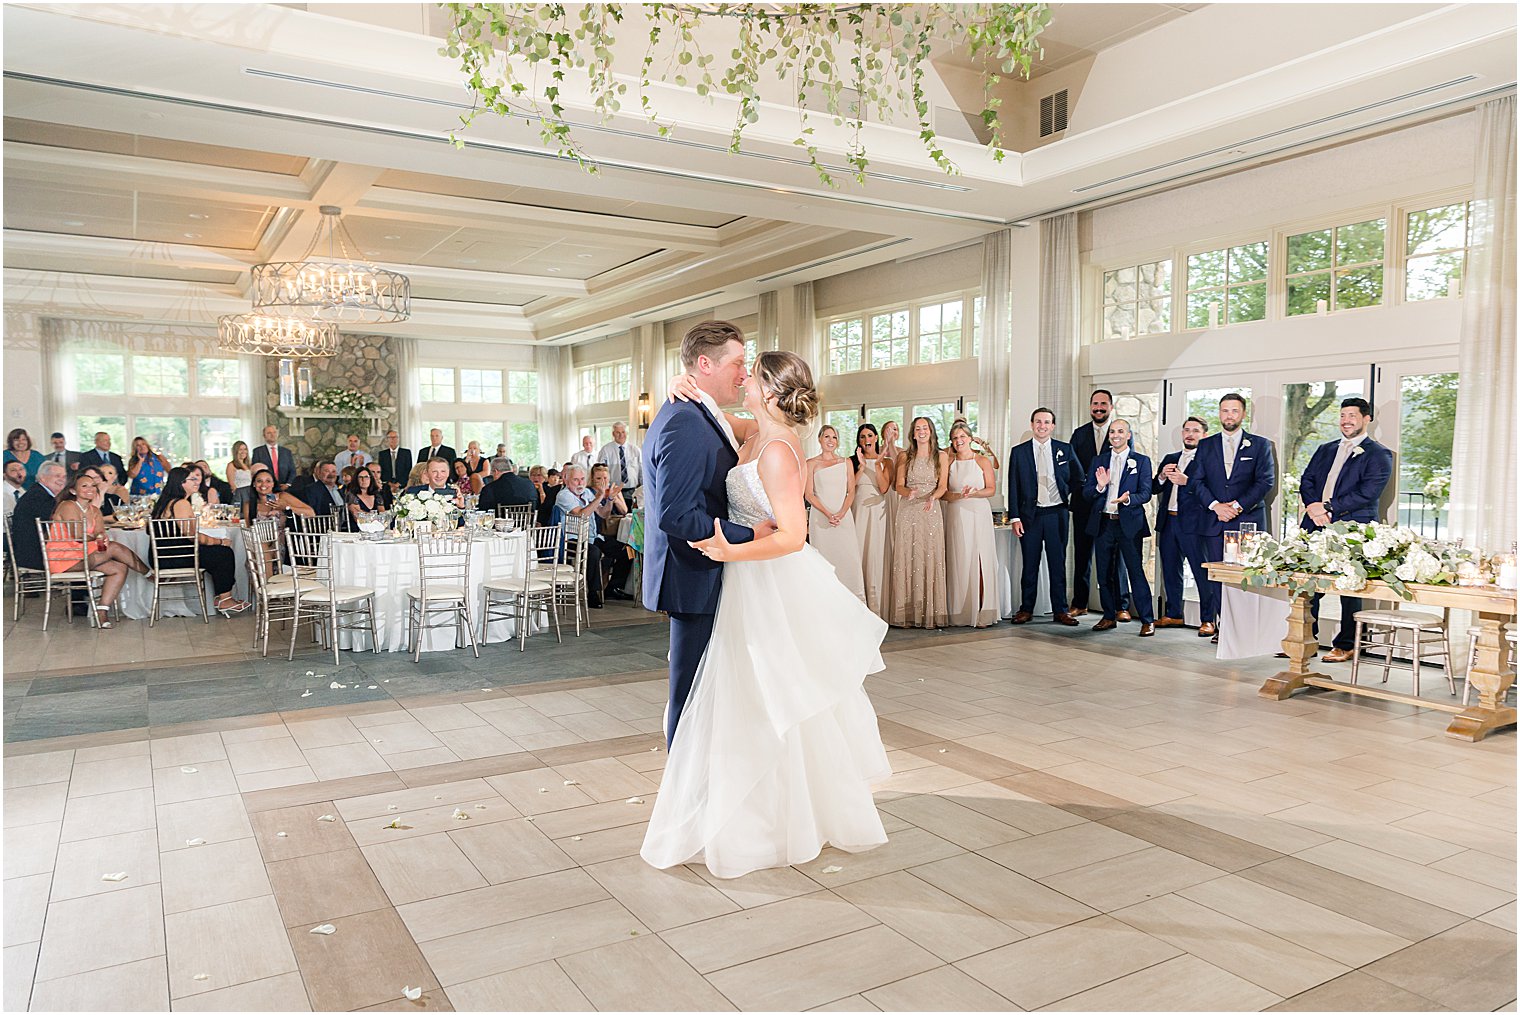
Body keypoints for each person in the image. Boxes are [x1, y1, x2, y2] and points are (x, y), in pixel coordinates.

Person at [642, 347, 889, 880]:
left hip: (764, 579)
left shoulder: (778, 449)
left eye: (751, 375)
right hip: (741, 582)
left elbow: (794, 537)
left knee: (771, 697)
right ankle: (739, 804)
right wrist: (678, 383)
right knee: (742, 695)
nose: (744, 379)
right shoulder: (750, 429)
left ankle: (778, 816)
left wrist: (731, 551)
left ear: (771, 393)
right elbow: (706, 408)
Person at [1299, 397, 1394, 663]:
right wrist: (1313, 508)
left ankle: (1347, 644)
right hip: (1315, 523)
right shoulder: (1325, 449)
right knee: (1308, 584)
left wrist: (1328, 508)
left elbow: (1368, 493)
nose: (1346, 420)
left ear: (1367, 419)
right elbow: (1306, 480)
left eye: (1352, 415)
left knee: (1349, 588)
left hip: (1352, 527)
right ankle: (1306, 639)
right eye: (1342, 415)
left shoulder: (1379, 454)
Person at [1191, 392, 1277, 644]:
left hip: (1248, 521)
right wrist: (1216, 506)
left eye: (1234, 411)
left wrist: (1237, 506)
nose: (1229, 415)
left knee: (1249, 577)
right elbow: (1197, 481)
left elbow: (1265, 481)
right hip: (1214, 520)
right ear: (1219, 414)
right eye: (1224, 411)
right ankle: (1224, 627)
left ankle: (1250, 630)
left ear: (1243, 414)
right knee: (1219, 577)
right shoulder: (1206, 445)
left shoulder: (1260, 445)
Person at [1007, 408, 1082, 626]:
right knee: (1030, 564)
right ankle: (1026, 609)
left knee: (1057, 564)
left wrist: (1065, 494)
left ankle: (1060, 610)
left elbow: (1079, 478)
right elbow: (1013, 485)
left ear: (1053, 426)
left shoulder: (1064, 450)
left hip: (1057, 514)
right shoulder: (1019, 452)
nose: (1042, 426)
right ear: (1032, 424)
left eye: (1047, 422)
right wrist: (1014, 517)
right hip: (1030, 516)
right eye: (1038, 422)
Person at [48, 471, 149, 628]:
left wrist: (100, 536)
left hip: (84, 556)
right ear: (73, 491)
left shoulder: (94, 510)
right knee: (114, 547)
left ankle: (102, 612)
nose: (91, 489)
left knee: (119, 568)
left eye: (93, 486)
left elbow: (99, 532)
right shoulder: (67, 505)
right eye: (85, 486)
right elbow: (77, 535)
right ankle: (149, 574)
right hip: (63, 559)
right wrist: (98, 539)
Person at [1084, 419, 1156, 636]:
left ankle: (1147, 620)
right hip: (1104, 522)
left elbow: (1145, 493)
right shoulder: (1099, 460)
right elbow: (1087, 493)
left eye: (1120, 431)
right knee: (1104, 574)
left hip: (1129, 524)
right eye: (1112, 431)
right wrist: (1100, 486)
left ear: (1128, 435)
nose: (1115, 435)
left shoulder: (1141, 461)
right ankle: (1108, 616)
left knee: (1135, 572)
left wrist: (1127, 499)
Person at [151, 466, 248, 616]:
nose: (197, 482)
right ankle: (225, 599)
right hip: (174, 556)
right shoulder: (180, 503)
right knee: (224, 553)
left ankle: (222, 597)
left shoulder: (165, 502)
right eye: (192, 479)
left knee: (217, 553)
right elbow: (191, 535)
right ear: (181, 483)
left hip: (163, 554)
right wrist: (219, 541)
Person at [888, 416, 949, 629]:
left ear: (931, 431)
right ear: (913, 433)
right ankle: (908, 612)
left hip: (931, 509)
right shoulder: (905, 456)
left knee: (930, 556)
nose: (921, 431)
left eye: (925, 428)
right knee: (908, 556)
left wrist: (934, 497)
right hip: (909, 509)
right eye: (917, 428)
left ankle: (930, 612)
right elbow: (898, 485)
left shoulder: (941, 456)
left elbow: (943, 486)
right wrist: (909, 493)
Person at [1154, 416, 1214, 636]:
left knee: (1201, 572)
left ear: (1204, 435)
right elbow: (1154, 488)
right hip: (1169, 521)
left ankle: (1208, 619)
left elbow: (1211, 492)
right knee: (1170, 570)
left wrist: (1186, 481)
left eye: (1195, 431)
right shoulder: (1171, 458)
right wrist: (1161, 476)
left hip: (1195, 524)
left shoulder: (1209, 461)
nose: (1190, 434)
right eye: (1186, 430)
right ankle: (1174, 614)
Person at [1069, 389, 1126, 619]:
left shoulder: (1121, 432)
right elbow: (1072, 470)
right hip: (1085, 505)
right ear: (1090, 406)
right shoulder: (1079, 434)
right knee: (1081, 556)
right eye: (1095, 404)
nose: (1099, 408)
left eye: (1103, 404)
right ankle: (1080, 603)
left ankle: (1121, 606)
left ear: (1111, 407)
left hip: (1112, 506)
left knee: (1116, 558)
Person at [942, 420, 999, 628]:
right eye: (955, 438)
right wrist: (957, 495)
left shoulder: (982, 460)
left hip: (978, 511)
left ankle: (983, 609)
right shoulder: (948, 462)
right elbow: (944, 493)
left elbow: (991, 489)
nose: (959, 441)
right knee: (960, 559)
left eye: (962, 437)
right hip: (956, 513)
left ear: (969, 437)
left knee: (979, 558)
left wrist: (974, 493)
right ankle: (961, 611)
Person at [805, 425, 866, 603]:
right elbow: (809, 494)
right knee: (824, 559)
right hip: (821, 519)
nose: (831, 441)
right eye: (827, 437)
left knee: (848, 558)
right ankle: (826, 602)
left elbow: (851, 491)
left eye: (834, 437)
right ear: (820, 439)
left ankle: (854, 603)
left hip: (843, 518)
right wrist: (827, 513)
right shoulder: (811, 464)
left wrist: (841, 513)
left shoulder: (846, 462)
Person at [850, 423, 893, 617]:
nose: (866, 439)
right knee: (858, 552)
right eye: (862, 437)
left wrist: (876, 464)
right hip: (858, 509)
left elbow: (884, 488)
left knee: (875, 553)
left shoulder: (887, 462)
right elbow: (850, 487)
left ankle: (876, 607)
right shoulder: (851, 461)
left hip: (878, 511)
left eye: (869, 435)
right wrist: (862, 465)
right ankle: (858, 604)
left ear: (876, 438)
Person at [552, 465, 607, 609]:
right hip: (571, 539)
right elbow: (581, 514)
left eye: (582, 479)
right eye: (576, 480)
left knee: (625, 550)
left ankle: (612, 587)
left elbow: (603, 514)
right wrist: (599, 497)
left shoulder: (587, 493)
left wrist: (611, 498)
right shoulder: (564, 495)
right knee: (593, 552)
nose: (580, 483)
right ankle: (592, 593)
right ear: (566, 480)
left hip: (592, 537)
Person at [588, 463, 636, 601]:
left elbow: (624, 511)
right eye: (598, 478)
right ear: (592, 479)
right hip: (597, 532)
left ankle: (614, 586)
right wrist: (602, 496)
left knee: (628, 551)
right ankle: (595, 591)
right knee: (599, 554)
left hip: (614, 531)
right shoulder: (589, 492)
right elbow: (602, 514)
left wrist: (613, 498)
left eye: (605, 478)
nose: (602, 481)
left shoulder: (613, 490)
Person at [9, 460, 66, 573]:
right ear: (43, 478)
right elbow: (57, 524)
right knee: (92, 555)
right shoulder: (38, 497)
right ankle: (82, 590)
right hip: (35, 556)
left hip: (38, 551)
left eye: (64, 476)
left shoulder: (40, 493)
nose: (62, 480)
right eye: (57, 476)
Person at [242, 466, 315, 533]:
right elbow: (250, 530)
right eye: (259, 481)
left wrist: (287, 507)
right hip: (260, 544)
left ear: (273, 484)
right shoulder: (249, 505)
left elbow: (311, 513)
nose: (263, 484)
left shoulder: (282, 497)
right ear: (254, 484)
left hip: (285, 543)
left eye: (268, 481)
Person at [598, 422, 643, 508]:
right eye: (618, 432)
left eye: (623, 432)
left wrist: (643, 488)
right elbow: (601, 472)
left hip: (633, 491)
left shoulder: (635, 449)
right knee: (616, 519)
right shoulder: (606, 450)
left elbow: (641, 471)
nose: (621, 435)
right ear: (613, 434)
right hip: (615, 492)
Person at [301, 460, 352, 530]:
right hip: (324, 531)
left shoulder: (341, 489)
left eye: (333, 471)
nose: (331, 474)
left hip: (344, 529)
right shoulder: (312, 490)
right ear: (319, 473)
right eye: (327, 471)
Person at [252, 425, 296, 490]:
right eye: (269, 433)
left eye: (274, 432)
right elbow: (255, 471)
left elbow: (292, 470)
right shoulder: (258, 452)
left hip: (284, 488)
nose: (272, 435)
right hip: (265, 488)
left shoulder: (286, 452)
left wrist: (288, 484)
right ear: (264, 436)